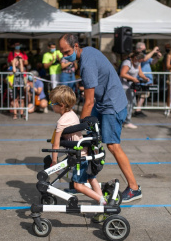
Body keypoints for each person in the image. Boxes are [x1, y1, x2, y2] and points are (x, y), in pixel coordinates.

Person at [59, 33, 142, 203]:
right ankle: (81, 182)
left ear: (75, 47)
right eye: (62, 53)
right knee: (88, 141)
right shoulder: (87, 51)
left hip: (111, 105)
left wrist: (77, 127)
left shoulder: (87, 64)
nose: (65, 56)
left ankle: (134, 188)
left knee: (112, 145)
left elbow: (88, 103)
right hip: (104, 102)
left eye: (67, 52)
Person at [49, 85, 106, 207]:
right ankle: (101, 198)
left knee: (77, 185)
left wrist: (54, 161)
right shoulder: (72, 114)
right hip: (87, 151)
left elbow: (56, 144)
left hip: (80, 155)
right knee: (91, 178)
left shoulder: (61, 122)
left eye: (53, 103)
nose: (51, 105)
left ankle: (102, 201)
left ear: (62, 105)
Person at [120, 52, 150, 129]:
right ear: (135, 58)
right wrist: (133, 78)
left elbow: (140, 73)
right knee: (127, 104)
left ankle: (126, 120)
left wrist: (145, 78)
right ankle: (126, 121)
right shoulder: (127, 63)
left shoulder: (138, 63)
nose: (140, 61)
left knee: (132, 103)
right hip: (123, 87)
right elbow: (122, 74)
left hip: (130, 87)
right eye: (140, 60)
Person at [134, 42, 162, 117]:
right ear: (138, 49)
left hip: (147, 79)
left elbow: (152, 62)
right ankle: (137, 110)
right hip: (141, 78)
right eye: (143, 49)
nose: (144, 50)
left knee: (144, 95)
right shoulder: (138, 56)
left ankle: (138, 109)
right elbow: (144, 59)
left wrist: (157, 57)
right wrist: (153, 51)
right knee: (141, 95)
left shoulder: (146, 55)